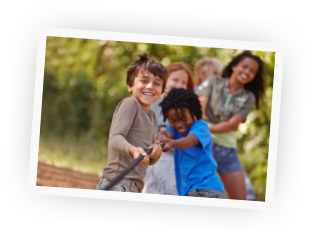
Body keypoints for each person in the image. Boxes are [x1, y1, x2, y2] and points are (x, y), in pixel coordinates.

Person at [196, 51, 266, 200]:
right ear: (234, 66)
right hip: (204, 146)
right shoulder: (213, 81)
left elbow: (230, 125)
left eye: (252, 71)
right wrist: (201, 131)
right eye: (244, 66)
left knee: (242, 199)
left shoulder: (249, 97)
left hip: (228, 152)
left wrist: (207, 128)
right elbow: (199, 108)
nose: (247, 72)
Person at [96, 52, 168, 193]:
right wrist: (133, 150)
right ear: (130, 85)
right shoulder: (131, 104)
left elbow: (146, 159)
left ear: (162, 91)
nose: (150, 87)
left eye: (157, 83)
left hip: (134, 186)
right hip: (118, 183)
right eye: (144, 81)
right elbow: (115, 139)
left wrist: (156, 152)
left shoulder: (151, 115)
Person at [156, 88, 226, 198]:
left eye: (184, 119)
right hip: (189, 192)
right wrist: (161, 137)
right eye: (173, 121)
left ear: (195, 113)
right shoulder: (174, 129)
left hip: (207, 190)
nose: (179, 124)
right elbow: (166, 133)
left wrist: (172, 143)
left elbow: (190, 140)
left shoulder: (201, 127)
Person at [142, 62, 194, 195]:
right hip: (163, 158)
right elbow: (163, 128)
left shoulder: (186, 108)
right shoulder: (159, 100)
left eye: (184, 82)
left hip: (180, 160)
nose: (179, 84)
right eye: (175, 80)